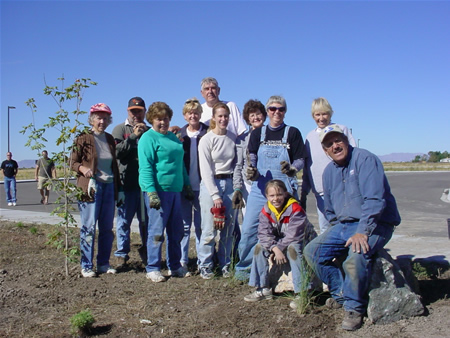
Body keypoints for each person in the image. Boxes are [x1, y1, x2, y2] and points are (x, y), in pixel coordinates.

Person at [304, 124, 401, 331]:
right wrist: (338, 231)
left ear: (346, 140)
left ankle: (354, 308)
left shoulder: (365, 159)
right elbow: (329, 209)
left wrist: (362, 231)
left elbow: (375, 201)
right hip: (344, 225)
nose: (335, 146)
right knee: (312, 251)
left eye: (338, 140)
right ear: (325, 150)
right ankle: (340, 294)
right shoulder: (329, 172)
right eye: (329, 144)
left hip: (377, 223)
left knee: (356, 255)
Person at [235, 95, 306, 282]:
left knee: (290, 230)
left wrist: (293, 169)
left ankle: (290, 274)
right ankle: (245, 271)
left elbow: (300, 159)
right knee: (250, 229)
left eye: (281, 109)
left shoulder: (293, 133)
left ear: (285, 111)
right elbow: (252, 156)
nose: (277, 112)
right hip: (261, 189)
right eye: (273, 109)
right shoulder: (258, 134)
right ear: (268, 112)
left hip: (285, 189)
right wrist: (252, 171)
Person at [138, 101, 194, 282]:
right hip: (157, 191)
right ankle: (153, 267)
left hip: (175, 191)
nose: (163, 122)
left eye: (166, 119)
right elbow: (146, 168)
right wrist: (151, 192)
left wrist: (186, 184)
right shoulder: (148, 138)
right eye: (159, 119)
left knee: (176, 231)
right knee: (156, 231)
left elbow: (180, 165)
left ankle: (175, 265)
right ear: (152, 120)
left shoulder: (172, 137)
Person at [71, 103, 123, 278]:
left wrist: (119, 189)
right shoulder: (83, 138)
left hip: (108, 186)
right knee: (89, 227)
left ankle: (103, 263)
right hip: (91, 188)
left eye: (105, 118)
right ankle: (86, 265)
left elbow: (114, 166)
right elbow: (72, 162)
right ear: (92, 119)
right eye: (98, 118)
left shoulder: (109, 139)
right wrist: (83, 170)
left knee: (107, 228)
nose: (102, 121)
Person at [244, 180, 316, 303]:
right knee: (258, 248)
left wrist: (279, 248)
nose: (275, 199)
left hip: (302, 241)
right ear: (267, 196)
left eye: (279, 195)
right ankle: (262, 288)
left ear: (286, 194)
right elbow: (263, 233)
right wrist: (275, 249)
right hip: (279, 242)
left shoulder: (295, 209)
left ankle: (302, 291)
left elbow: (294, 236)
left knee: (293, 249)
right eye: (272, 196)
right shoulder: (266, 210)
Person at [302, 97, 356, 234]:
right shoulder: (309, 136)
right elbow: (307, 166)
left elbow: (353, 156)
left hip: (343, 189)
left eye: (324, 113)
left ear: (330, 114)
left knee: (347, 225)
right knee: (326, 228)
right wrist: (304, 190)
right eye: (317, 114)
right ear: (313, 116)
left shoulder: (341, 129)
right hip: (320, 191)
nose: (321, 118)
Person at [197, 102, 237, 279]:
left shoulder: (233, 138)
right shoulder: (207, 139)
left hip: (229, 184)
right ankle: (205, 265)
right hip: (210, 184)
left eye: (226, 116)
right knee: (209, 229)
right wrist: (214, 195)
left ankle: (225, 264)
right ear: (213, 118)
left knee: (228, 228)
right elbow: (205, 169)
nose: (223, 119)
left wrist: (237, 189)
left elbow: (237, 164)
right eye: (219, 116)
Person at [112, 97, 149, 267]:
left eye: (139, 111)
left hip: (146, 185)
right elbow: (117, 153)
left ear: (144, 112)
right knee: (123, 221)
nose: (136, 115)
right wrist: (133, 136)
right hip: (126, 184)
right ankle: (121, 254)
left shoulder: (150, 131)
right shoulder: (120, 129)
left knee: (146, 221)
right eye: (133, 111)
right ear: (128, 112)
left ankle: (148, 250)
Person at [179, 98, 208, 274]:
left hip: (203, 186)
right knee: (183, 226)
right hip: (183, 187)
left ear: (200, 114)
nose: (193, 115)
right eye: (189, 112)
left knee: (201, 225)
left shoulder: (207, 133)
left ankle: (201, 260)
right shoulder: (179, 136)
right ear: (185, 115)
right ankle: (182, 260)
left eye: (196, 112)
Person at [232, 99, 267, 213]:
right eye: (252, 115)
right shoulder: (242, 140)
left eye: (258, 114)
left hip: (269, 184)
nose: (255, 118)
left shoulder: (272, 136)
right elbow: (238, 165)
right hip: (249, 186)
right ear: (247, 119)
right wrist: (238, 188)